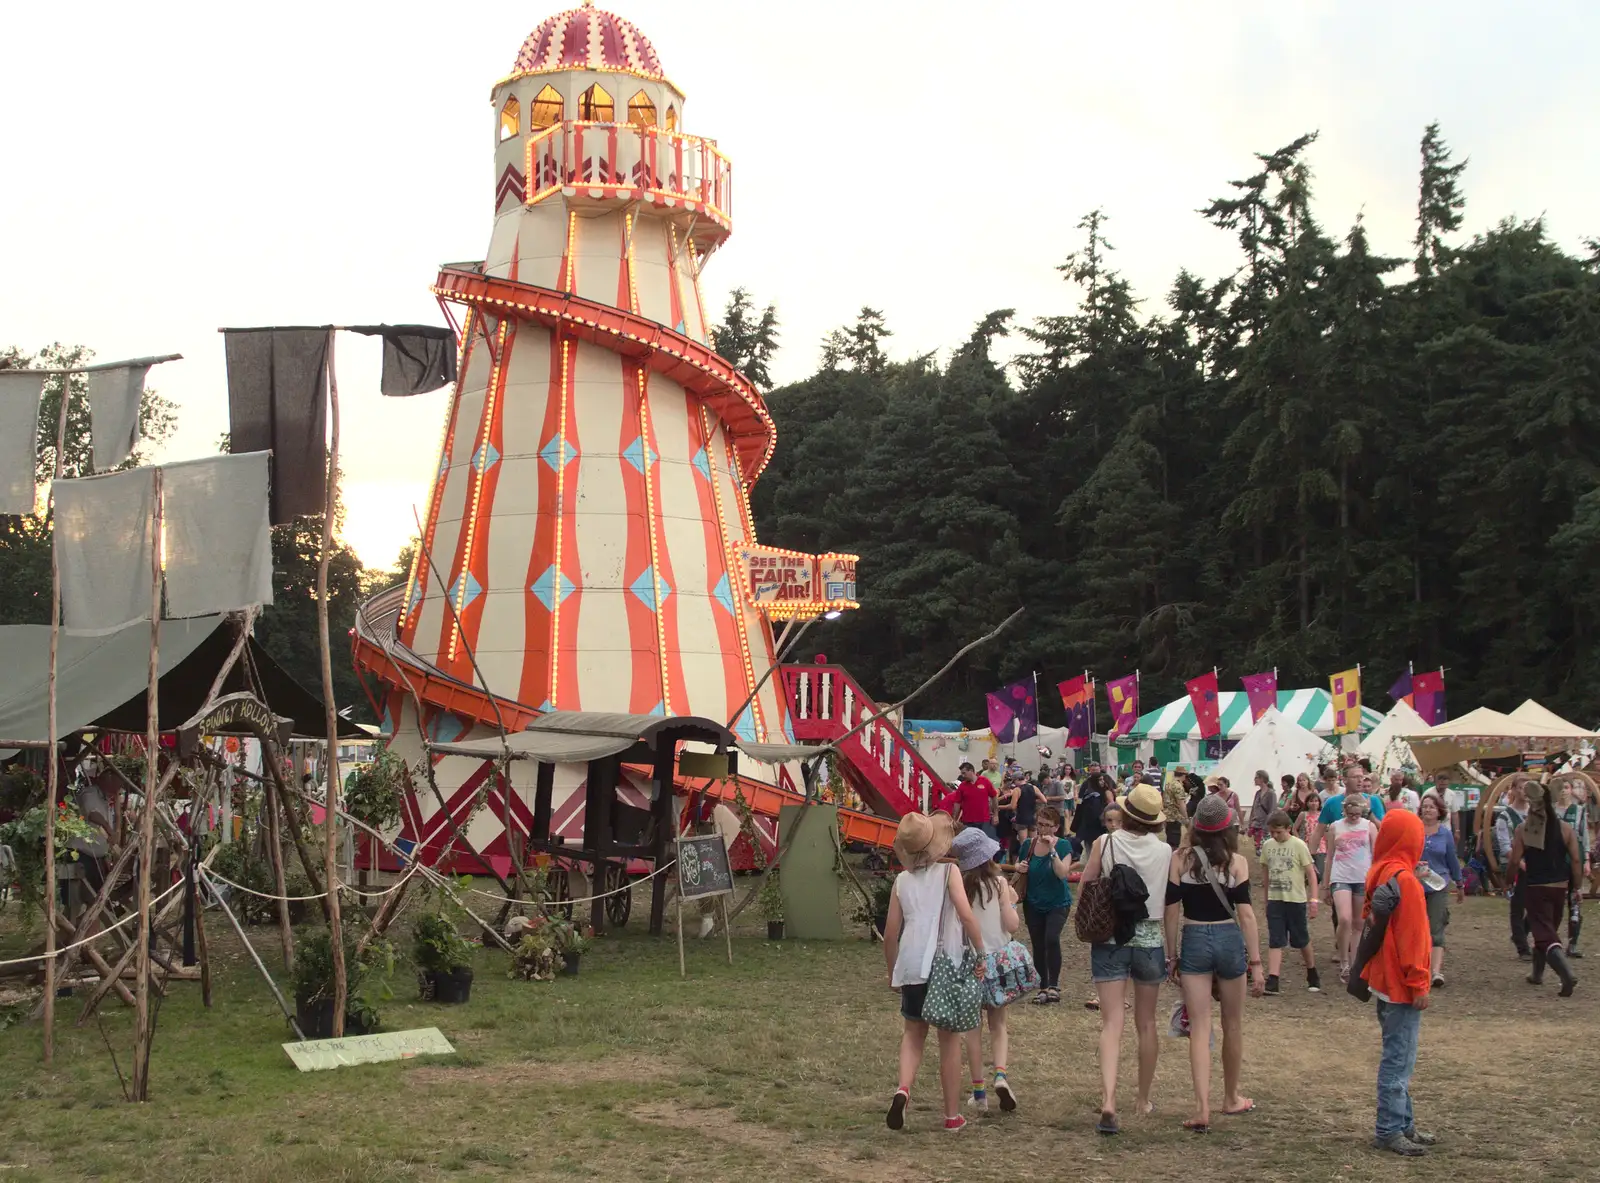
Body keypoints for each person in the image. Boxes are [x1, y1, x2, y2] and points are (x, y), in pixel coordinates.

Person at [883, 811, 988, 1132]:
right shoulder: (949, 873)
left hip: (912, 965)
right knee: (948, 1041)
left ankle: (903, 1088)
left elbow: (890, 933)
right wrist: (980, 952)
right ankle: (952, 1115)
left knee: (913, 1034)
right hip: (944, 965)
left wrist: (892, 973)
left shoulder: (901, 882)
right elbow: (967, 916)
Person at [1164, 794, 1264, 1133]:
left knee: (1200, 1027)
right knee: (1233, 1023)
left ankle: (1201, 1106)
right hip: (1228, 939)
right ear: (1228, 828)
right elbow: (1247, 915)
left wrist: (1171, 953)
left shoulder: (1180, 859)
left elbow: (1172, 910)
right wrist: (1257, 962)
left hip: (1194, 939)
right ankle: (1231, 1097)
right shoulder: (1236, 862)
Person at [1081, 784, 1173, 1135]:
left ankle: (1108, 1100)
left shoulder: (1105, 843)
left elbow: (1087, 884)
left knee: (1111, 1024)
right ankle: (1144, 1098)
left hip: (1110, 936)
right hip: (1150, 937)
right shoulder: (1165, 850)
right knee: (1146, 1023)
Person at [1358, 809, 1436, 1157]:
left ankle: (1403, 1123)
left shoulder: (1380, 871)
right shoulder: (1404, 879)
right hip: (1401, 983)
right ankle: (1390, 1128)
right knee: (1398, 1059)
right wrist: (1420, 982)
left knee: (1399, 1055)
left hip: (1382, 979)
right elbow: (1414, 937)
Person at [950, 827, 1021, 1114]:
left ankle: (978, 1091)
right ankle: (1001, 1075)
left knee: (972, 1030)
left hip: (968, 961)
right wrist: (1013, 904)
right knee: (999, 1025)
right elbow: (1012, 925)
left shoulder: (957, 887)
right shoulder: (1001, 884)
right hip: (998, 960)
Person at [1511, 778, 1582, 996]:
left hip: (1535, 887)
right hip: (1560, 888)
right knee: (1547, 932)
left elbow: (1514, 861)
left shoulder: (1524, 829)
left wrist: (1506, 881)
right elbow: (1576, 860)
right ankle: (1537, 974)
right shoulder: (1565, 829)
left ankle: (1566, 975)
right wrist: (1577, 887)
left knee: (1546, 936)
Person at [1259, 809, 1321, 994]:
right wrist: (1266, 899)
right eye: (1272, 832)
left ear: (1288, 828)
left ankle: (1312, 972)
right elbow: (1265, 873)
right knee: (1275, 939)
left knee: (1301, 939)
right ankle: (1273, 978)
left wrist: (1314, 899)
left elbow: (1311, 873)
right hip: (1275, 899)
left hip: (1295, 900)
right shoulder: (1268, 846)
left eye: (1279, 832)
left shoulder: (1299, 845)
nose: (1275, 836)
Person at [1021, 805, 1073, 1004]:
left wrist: (1052, 849)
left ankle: (1054, 984)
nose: (1042, 829)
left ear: (1056, 827)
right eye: (1039, 824)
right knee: (1038, 943)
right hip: (1033, 902)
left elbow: (1062, 873)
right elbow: (1022, 865)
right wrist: (1020, 867)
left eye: (1047, 825)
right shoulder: (1028, 844)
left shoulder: (1063, 846)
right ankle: (1042, 986)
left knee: (1051, 938)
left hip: (1057, 902)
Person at [1326, 794, 1379, 983]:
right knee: (1344, 918)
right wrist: (1325, 885)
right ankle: (1344, 960)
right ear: (1345, 811)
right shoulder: (1335, 827)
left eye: (1358, 814)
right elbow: (1329, 856)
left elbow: (1376, 854)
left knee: (1358, 923)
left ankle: (1355, 964)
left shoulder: (1369, 827)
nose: (1354, 817)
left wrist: (1376, 881)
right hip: (1340, 877)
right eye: (1351, 814)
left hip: (1362, 878)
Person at [1416, 792, 1462, 988]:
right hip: (1415, 885)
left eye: (1431, 807)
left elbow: (1452, 859)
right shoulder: (1414, 829)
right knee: (1415, 928)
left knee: (1436, 928)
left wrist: (1459, 883)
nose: (1427, 810)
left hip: (1438, 884)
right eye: (1425, 806)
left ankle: (1435, 971)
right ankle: (1417, 967)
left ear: (1439, 811)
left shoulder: (1445, 834)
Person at [1492, 777, 1530, 957]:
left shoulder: (1535, 814)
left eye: (1527, 788)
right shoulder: (1505, 816)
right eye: (1521, 788)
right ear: (1513, 790)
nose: (1524, 792)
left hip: (1534, 865)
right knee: (1518, 905)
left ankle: (1519, 933)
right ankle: (1523, 948)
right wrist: (1520, 864)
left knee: (1538, 905)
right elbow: (1505, 846)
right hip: (1514, 865)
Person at [1558, 778, 1591, 958]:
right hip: (1554, 861)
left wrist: (1586, 859)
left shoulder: (1579, 811)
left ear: (1571, 790)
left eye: (1567, 787)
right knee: (1553, 900)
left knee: (1575, 900)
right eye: (1561, 788)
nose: (1563, 791)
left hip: (1574, 859)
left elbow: (1584, 836)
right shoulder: (1552, 810)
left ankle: (1573, 943)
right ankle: (1550, 942)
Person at [939, 763, 999, 839]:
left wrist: (996, 814)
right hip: (968, 822)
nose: (963, 776)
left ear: (971, 771)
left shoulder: (985, 781)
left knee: (985, 843)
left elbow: (994, 796)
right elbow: (957, 803)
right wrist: (954, 819)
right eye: (962, 773)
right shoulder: (962, 786)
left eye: (964, 773)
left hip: (984, 820)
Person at [1071, 772, 1110, 859]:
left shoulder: (1098, 792)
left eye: (1102, 779)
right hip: (1092, 830)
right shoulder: (1092, 796)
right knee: (1093, 854)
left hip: (1093, 830)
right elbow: (1094, 814)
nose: (1102, 782)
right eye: (1100, 780)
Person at [1247, 770, 1278, 852]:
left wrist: (1266, 827)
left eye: (1256, 777)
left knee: (1264, 850)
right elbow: (1253, 808)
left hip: (1265, 827)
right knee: (1256, 850)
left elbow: (1272, 811)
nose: (1254, 779)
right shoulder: (1258, 793)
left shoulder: (1271, 794)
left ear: (1262, 779)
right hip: (1256, 825)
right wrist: (1250, 824)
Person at [1161, 766, 1190, 848]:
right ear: (1183, 775)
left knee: (1169, 840)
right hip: (1175, 817)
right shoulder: (1178, 786)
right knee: (1174, 843)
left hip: (1167, 816)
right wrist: (1186, 817)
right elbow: (1181, 804)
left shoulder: (1169, 784)